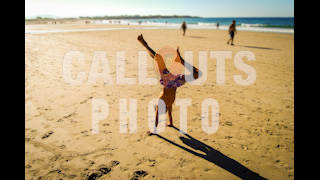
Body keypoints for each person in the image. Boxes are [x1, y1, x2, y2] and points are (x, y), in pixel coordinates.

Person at [137, 34, 201, 135]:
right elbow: (169, 112)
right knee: (197, 74)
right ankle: (181, 60)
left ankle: (145, 45)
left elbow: (158, 117)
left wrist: (153, 130)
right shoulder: (167, 101)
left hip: (171, 86)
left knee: (158, 59)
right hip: (173, 84)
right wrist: (170, 123)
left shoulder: (162, 102)